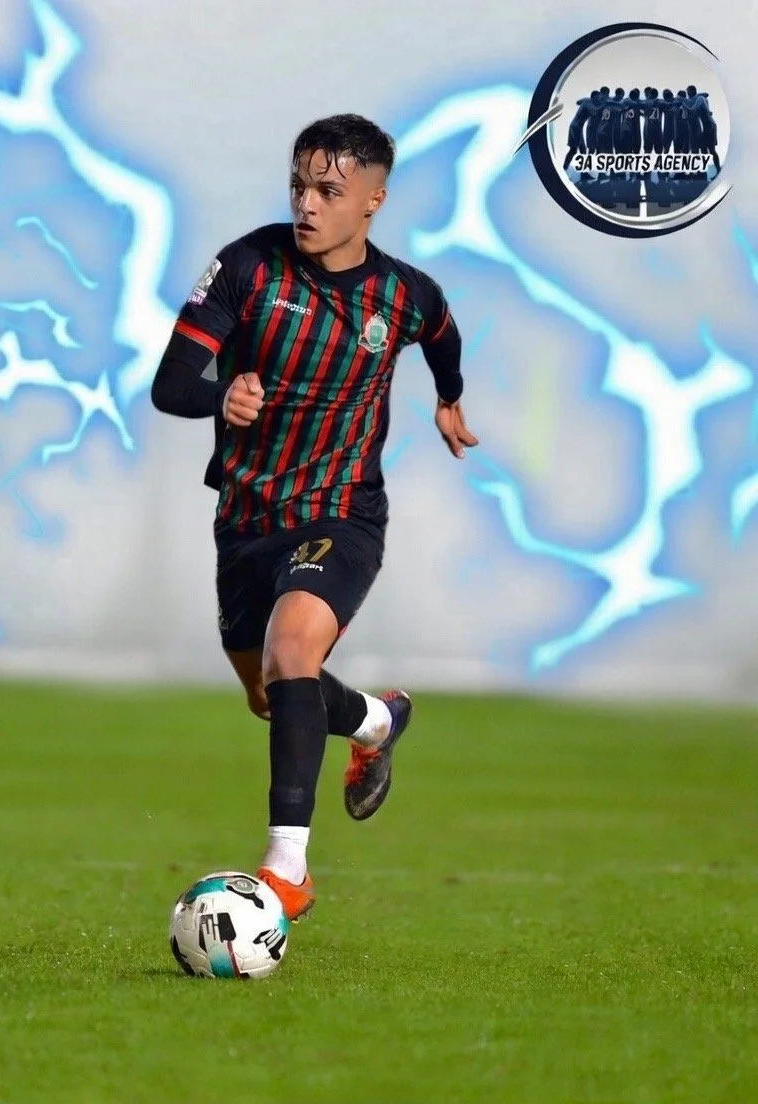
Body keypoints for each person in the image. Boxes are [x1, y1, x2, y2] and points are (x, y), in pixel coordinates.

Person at [151, 114, 478, 921]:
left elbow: (442, 335)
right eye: (299, 185)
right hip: (247, 516)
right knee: (274, 693)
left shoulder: (403, 295)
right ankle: (374, 719)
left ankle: (286, 870)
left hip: (342, 513)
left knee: (292, 650)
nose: (307, 203)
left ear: (372, 200)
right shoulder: (247, 267)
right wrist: (218, 396)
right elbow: (170, 384)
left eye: (329, 190)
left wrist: (448, 396)